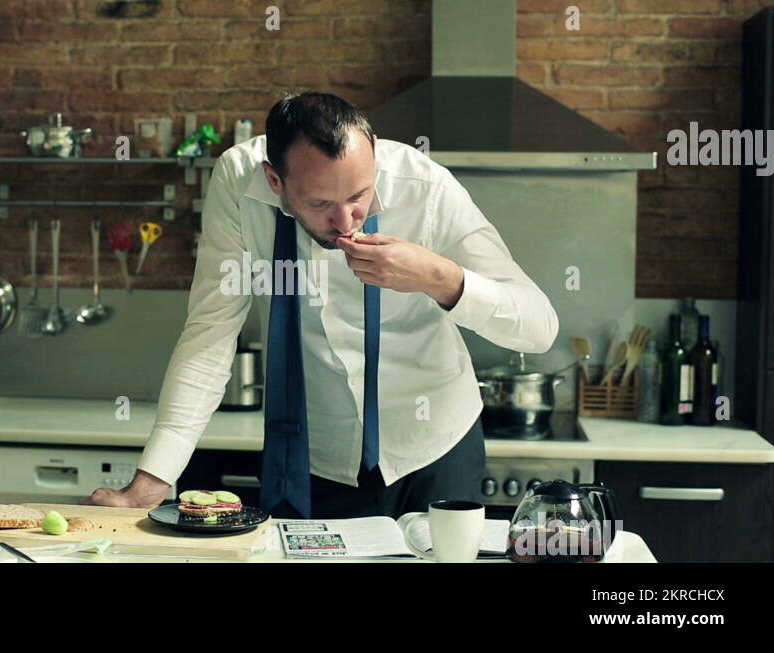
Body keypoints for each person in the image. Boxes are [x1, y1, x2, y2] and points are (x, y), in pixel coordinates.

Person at [80, 92, 558, 519]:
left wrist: (438, 277)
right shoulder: (236, 184)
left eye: (359, 196)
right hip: (313, 458)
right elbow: (211, 332)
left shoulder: (426, 187)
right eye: (320, 204)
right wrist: (154, 478)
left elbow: (538, 327)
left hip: (435, 448)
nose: (346, 220)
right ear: (274, 179)